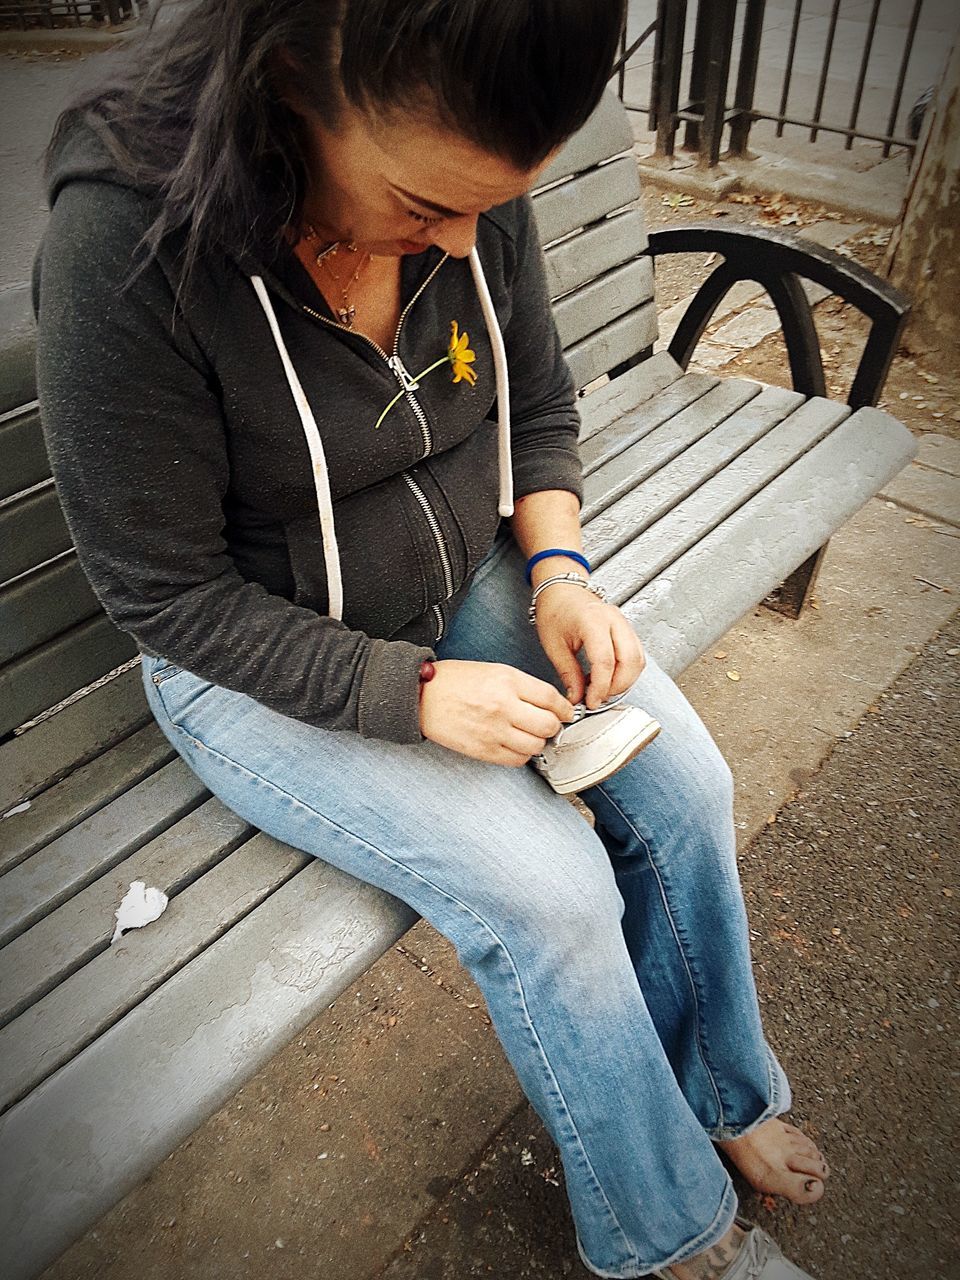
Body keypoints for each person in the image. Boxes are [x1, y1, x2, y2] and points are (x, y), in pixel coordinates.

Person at [34, 2, 830, 1276]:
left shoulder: (468, 168)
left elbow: (545, 403)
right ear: (292, 78)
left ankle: (722, 1098)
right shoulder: (127, 247)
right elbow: (165, 597)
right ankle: (677, 1234)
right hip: (254, 654)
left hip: (468, 574)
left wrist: (560, 571)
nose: (466, 240)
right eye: (424, 203)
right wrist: (405, 691)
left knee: (685, 788)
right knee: (548, 894)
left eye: (492, 205)